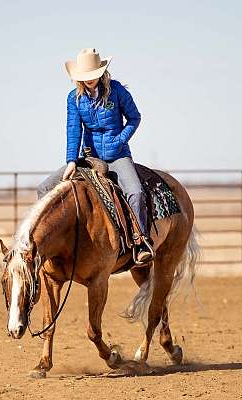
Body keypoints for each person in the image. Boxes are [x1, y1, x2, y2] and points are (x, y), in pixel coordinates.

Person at [37, 47, 153, 263]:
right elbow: (74, 130)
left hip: (118, 156)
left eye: (93, 76)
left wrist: (119, 140)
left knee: (135, 192)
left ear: (101, 73)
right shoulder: (74, 98)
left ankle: (140, 241)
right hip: (88, 157)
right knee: (44, 188)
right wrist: (72, 160)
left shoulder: (117, 91)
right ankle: (50, 242)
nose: (89, 80)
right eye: (85, 77)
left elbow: (135, 118)